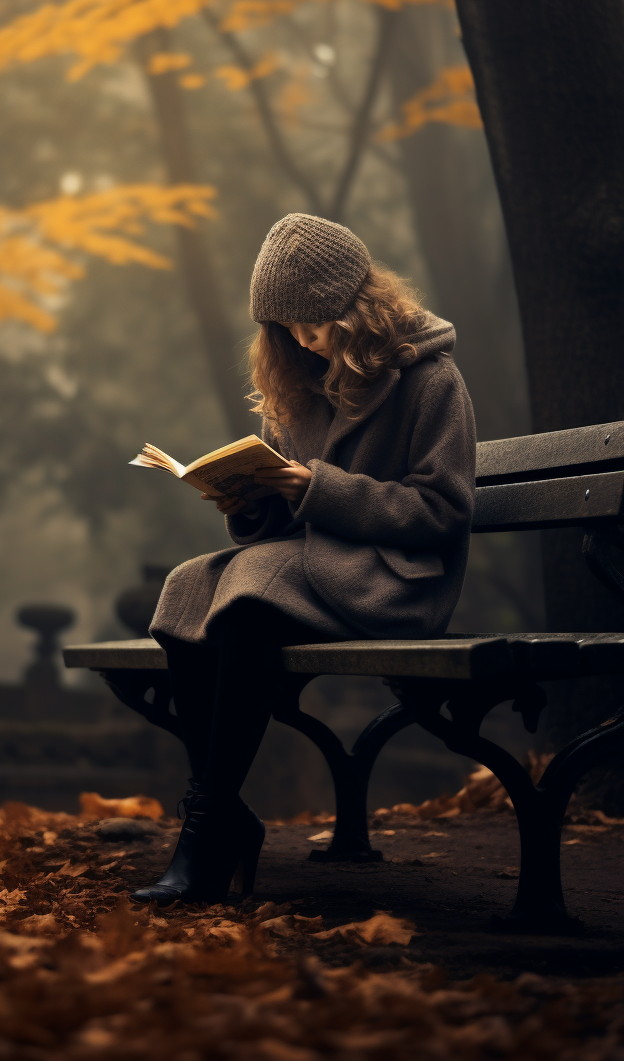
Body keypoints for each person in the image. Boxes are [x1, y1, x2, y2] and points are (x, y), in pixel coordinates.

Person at [131, 212, 476, 906]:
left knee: (252, 595)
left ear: (356, 305)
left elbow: (441, 511)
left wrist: (320, 490)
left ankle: (204, 832)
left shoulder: (431, 380)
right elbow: (279, 515)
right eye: (283, 326)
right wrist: (249, 502)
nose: (298, 338)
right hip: (313, 565)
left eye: (311, 322)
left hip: (395, 578)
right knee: (188, 589)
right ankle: (222, 813)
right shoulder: (296, 381)